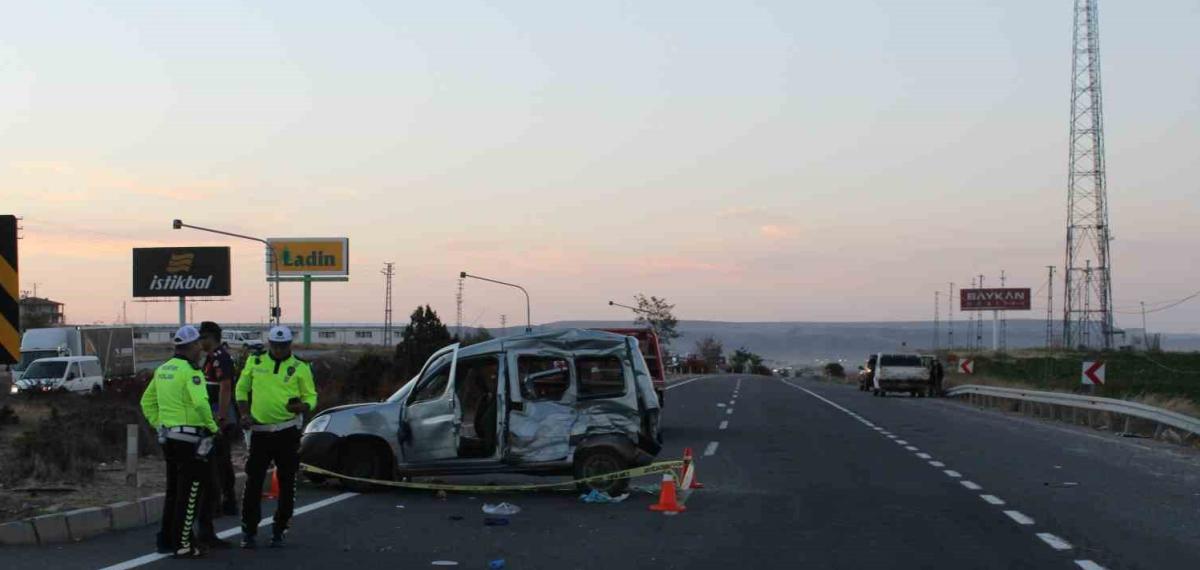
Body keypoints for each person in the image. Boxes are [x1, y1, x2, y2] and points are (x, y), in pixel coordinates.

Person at [140, 325, 219, 558]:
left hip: (170, 438)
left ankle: (166, 539)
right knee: (191, 491)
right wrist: (214, 428)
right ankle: (184, 544)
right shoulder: (191, 372)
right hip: (190, 439)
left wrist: (159, 424)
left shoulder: (163, 369)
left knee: (174, 490)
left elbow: (146, 402)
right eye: (198, 345)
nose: (201, 350)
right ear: (192, 346)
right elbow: (201, 404)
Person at [236, 325, 316, 549]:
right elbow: (241, 389)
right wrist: (244, 413)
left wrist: (304, 406)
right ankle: (249, 530)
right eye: (275, 345)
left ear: (290, 345)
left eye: (283, 346)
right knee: (253, 482)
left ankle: (280, 529)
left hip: (287, 432)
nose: (279, 350)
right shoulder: (256, 361)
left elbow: (311, 395)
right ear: (269, 344)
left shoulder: (300, 367)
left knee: (287, 481)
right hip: (260, 432)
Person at [196, 321, 238, 549]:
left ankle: (226, 501)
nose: (200, 342)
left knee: (219, 463)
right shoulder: (212, 356)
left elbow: (225, 387)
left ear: (210, 337)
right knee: (218, 462)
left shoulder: (220, 356)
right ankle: (223, 501)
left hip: (219, 416)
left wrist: (220, 418)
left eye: (202, 337)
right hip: (213, 414)